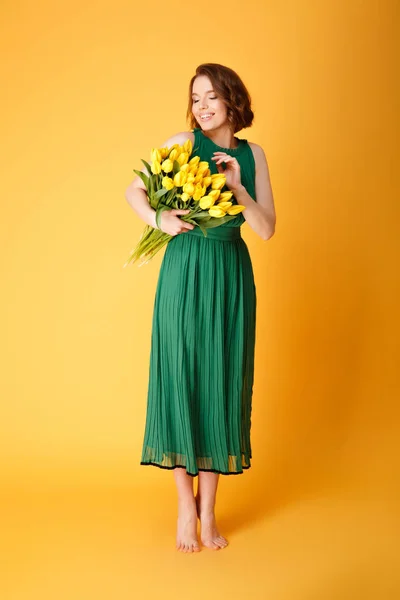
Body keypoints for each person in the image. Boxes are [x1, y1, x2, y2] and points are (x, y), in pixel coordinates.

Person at [125, 63, 276, 553]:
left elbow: (268, 228)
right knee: (181, 379)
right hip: (185, 273)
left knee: (220, 383)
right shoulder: (183, 143)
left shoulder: (254, 155)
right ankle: (185, 510)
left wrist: (237, 188)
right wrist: (159, 217)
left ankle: (209, 512)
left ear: (233, 100)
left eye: (211, 97)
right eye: (195, 98)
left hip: (230, 275)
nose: (202, 106)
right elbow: (134, 188)